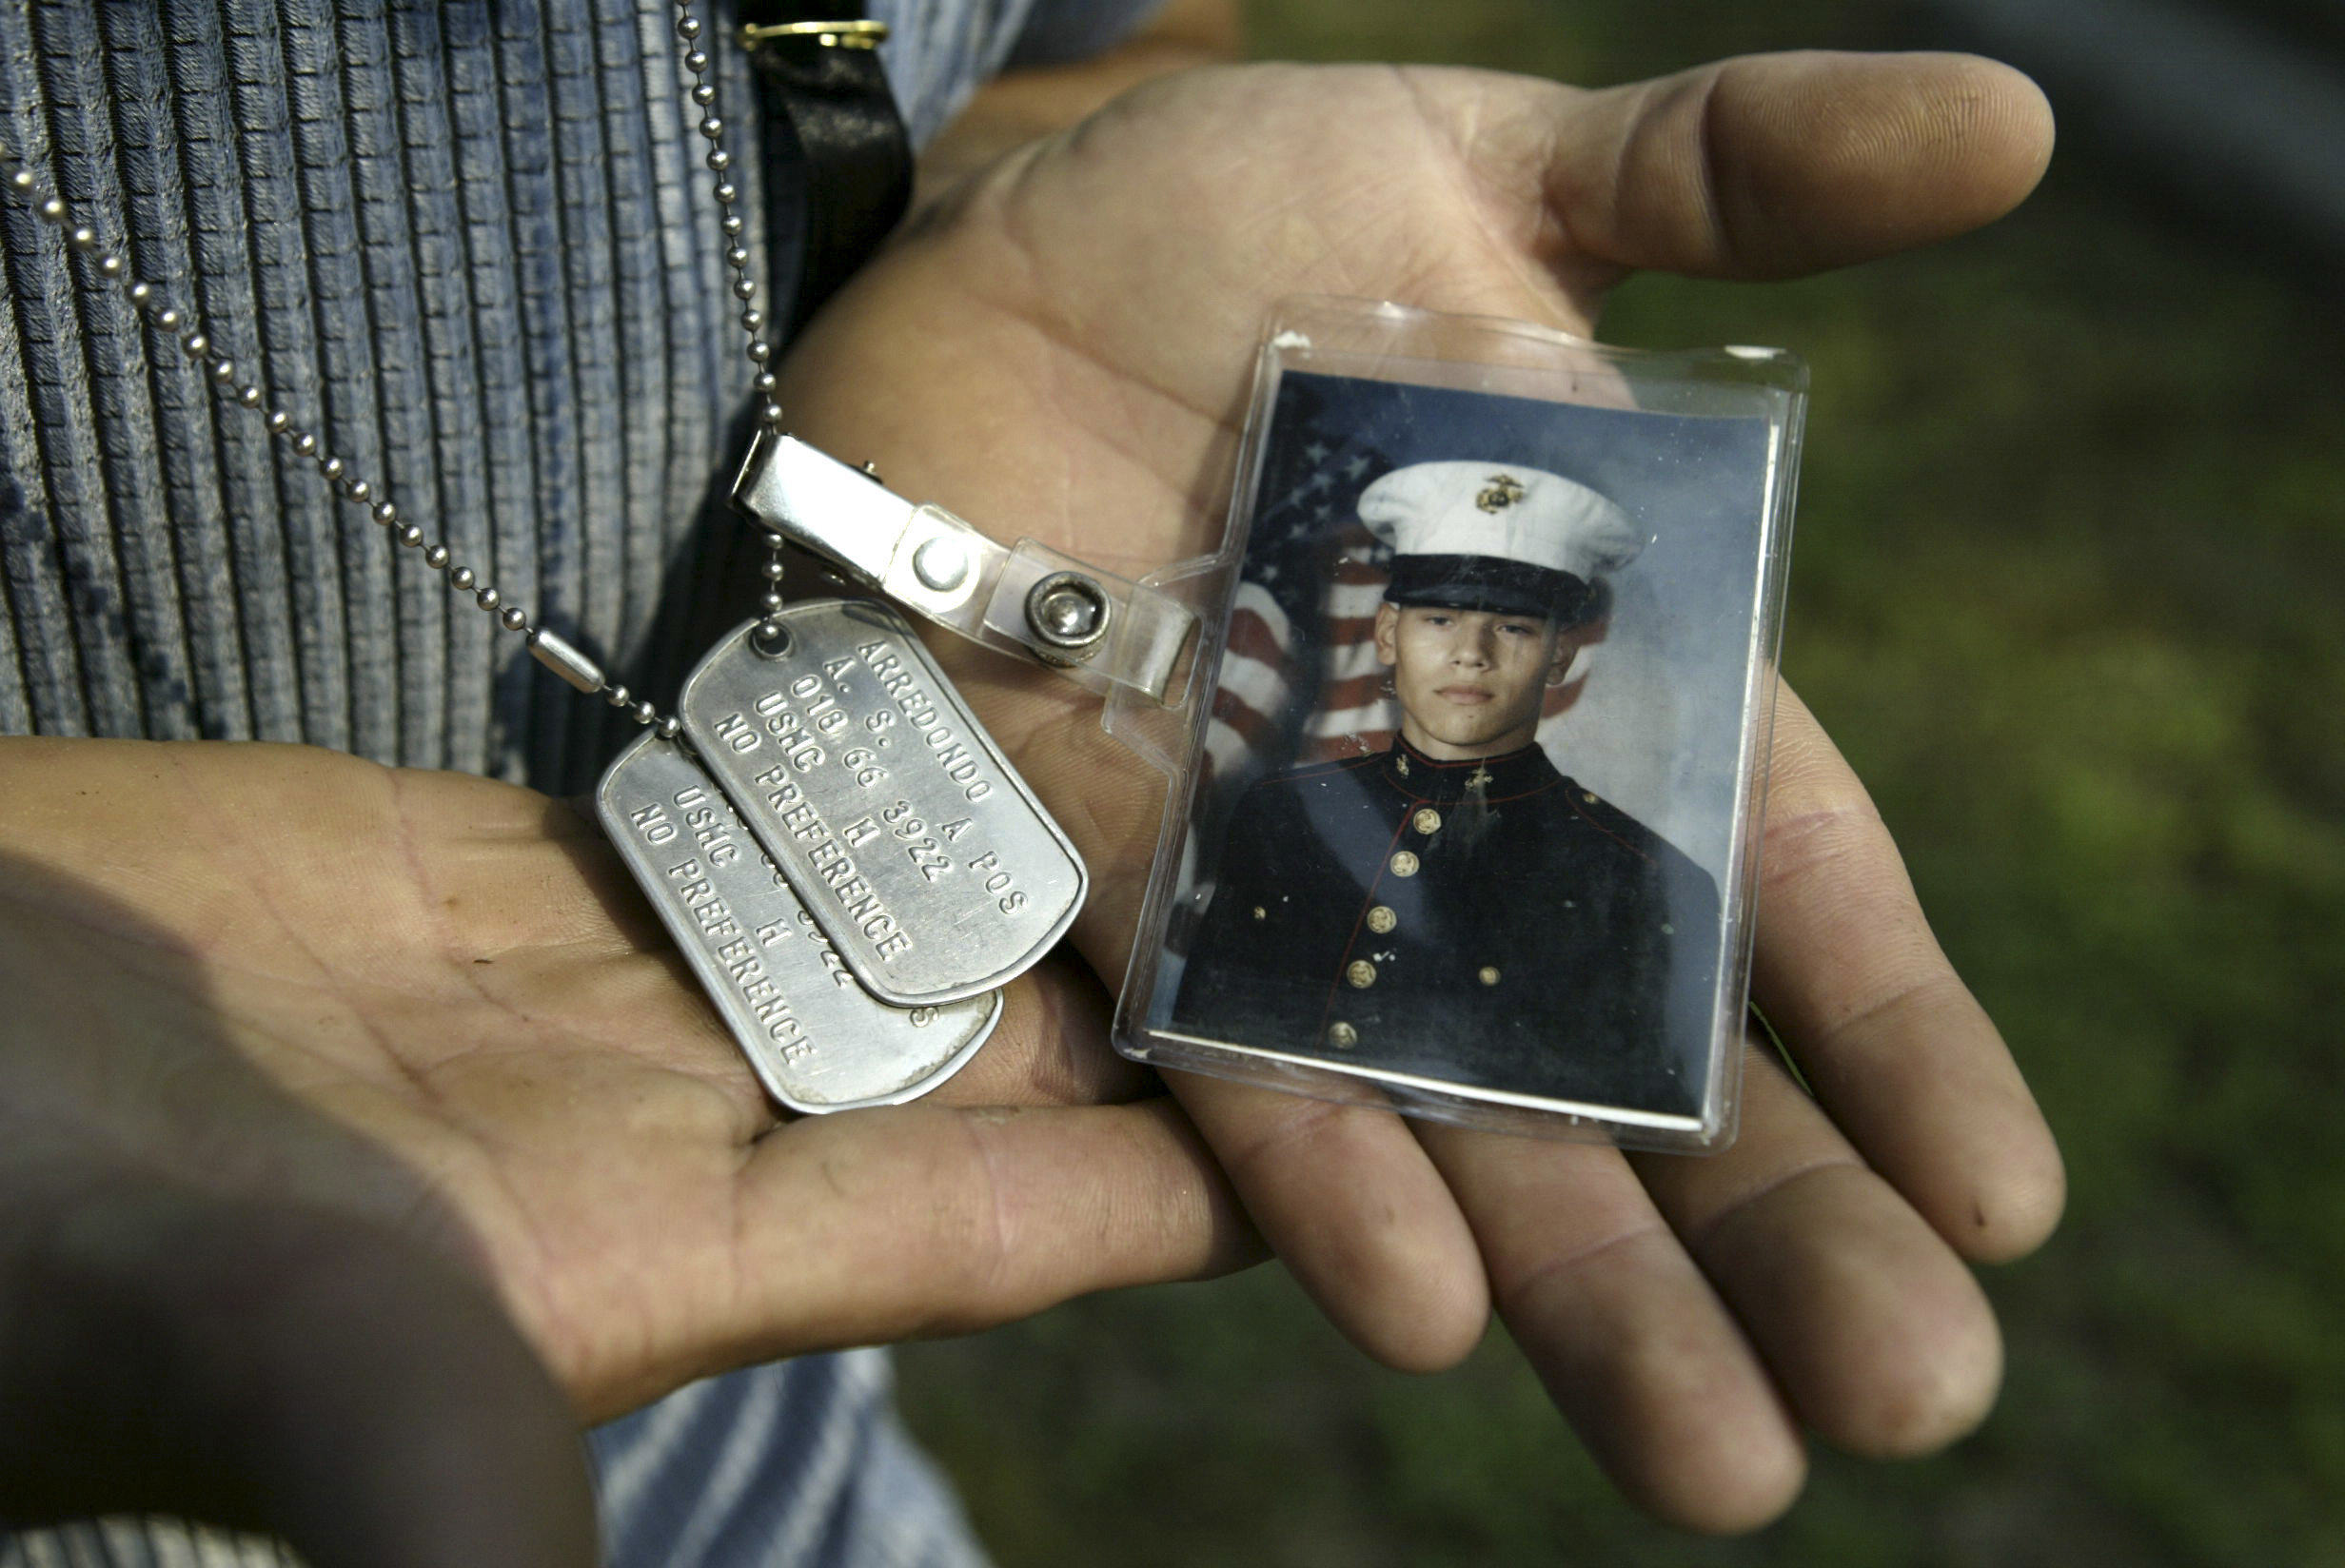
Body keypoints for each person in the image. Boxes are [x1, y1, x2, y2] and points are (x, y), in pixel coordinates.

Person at [0, 5, 2071, 1565]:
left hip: (759, 1432)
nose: (1454, 652)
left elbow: (1086, 35)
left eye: (1501, 625)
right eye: (1426, 608)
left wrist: (1017, 182)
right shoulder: (1262, 853)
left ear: (1569, 652)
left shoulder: (1618, 885)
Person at [1175, 461, 1720, 1117]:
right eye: (1439, 620)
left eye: (1514, 627)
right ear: (1385, 633)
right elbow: (1206, 1048)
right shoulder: (1281, 814)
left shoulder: (1644, 878)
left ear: (1561, 656)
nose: (1472, 652)